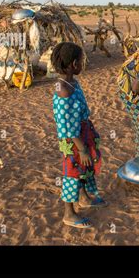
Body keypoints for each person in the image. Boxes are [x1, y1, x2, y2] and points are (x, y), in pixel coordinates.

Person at [51, 42, 107, 229]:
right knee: (72, 173)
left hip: (82, 133)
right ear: (74, 63)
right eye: (82, 61)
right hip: (73, 140)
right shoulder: (64, 90)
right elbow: (66, 126)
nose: (83, 64)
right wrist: (82, 148)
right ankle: (69, 213)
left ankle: (83, 197)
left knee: (85, 167)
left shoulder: (72, 83)